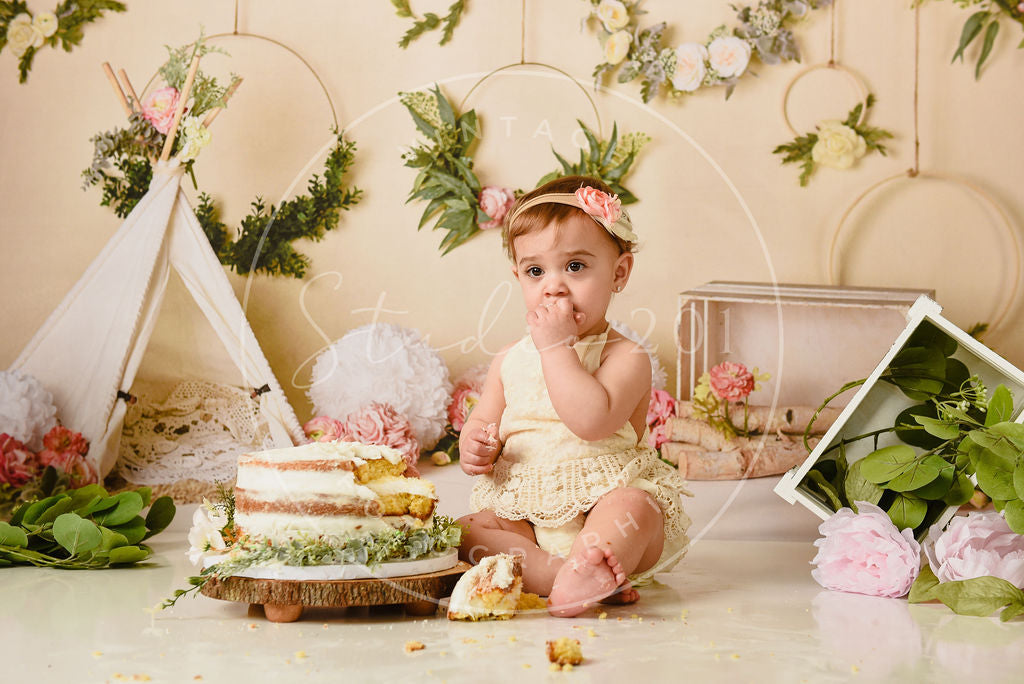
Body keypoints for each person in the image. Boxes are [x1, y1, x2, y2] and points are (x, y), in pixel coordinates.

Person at [456, 175, 691, 618]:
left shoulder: (626, 356)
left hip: (604, 502)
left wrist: (554, 348)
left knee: (635, 509)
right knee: (464, 533)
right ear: (519, 277)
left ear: (618, 273)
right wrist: (476, 445)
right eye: (536, 271)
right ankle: (565, 574)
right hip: (524, 511)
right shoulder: (507, 359)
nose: (554, 286)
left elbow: (591, 422)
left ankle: (596, 559)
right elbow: (483, 420)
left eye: (576, 267)